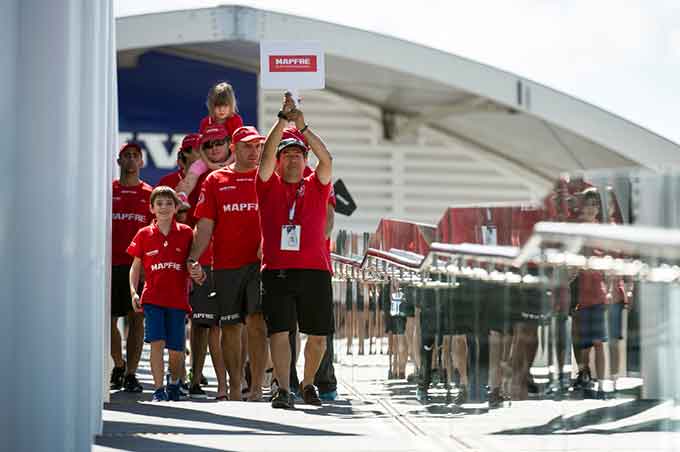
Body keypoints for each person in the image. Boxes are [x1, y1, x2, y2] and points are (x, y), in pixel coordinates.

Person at [257, 92, 334, 409]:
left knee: (317, 336)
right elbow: (264, 157)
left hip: (315, 270)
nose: (292, 158)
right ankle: (283, 388)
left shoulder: (317, 184)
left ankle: (307, 384)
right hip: (277, 269)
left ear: (305, 160)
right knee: (279, 331)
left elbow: (326, 159)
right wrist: (281, 121)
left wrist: (302, 128)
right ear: (279, 160)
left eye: (298, 155)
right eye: (286, 154)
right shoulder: (268, 184)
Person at [189, 125, 267, 402]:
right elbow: (205, 225)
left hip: (260, 264)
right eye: (248, 146)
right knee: (230, 326)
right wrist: (193, 259)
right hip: (226, 265)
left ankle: (256, 386)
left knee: (257, 323)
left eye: (258, 146)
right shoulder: (215, 180)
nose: (254, 151)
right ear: (234, 148)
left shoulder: (267, 177)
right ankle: (234, 387)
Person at [127, 186, 202, 401]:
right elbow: (135, 267)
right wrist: (134, 292)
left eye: (169, 203)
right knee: (157, 343)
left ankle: (174, 383)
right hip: (152, 299)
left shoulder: (187, 233)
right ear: (151, 208)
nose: (164, 207)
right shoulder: (144, 234)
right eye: (159, 203)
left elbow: (194, 260)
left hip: (178, 299)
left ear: (176, 207)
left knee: (176, 349)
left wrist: (197, 272)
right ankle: (159, 390)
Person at [158, 133, 215, 398]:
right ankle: (176, 376)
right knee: (176, 320)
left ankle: (196, 374)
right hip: (172, 260)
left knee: (202, 323)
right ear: (182, 156)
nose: (200, 154)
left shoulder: (209, 180)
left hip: (203, 257)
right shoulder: (168, 185)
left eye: (202, 149)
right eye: (194, 150)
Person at [110, 142, 152, 393]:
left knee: (137, 319)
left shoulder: (149, 193)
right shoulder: (108, 191)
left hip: (138, 266)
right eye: (126, 156)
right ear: (118, 162)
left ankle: (131, 373)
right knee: (108, 320)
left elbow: (154, 230)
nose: (131, 160)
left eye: (135, 156)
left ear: (142, 162)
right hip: (110, 265)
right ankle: (118, 363)